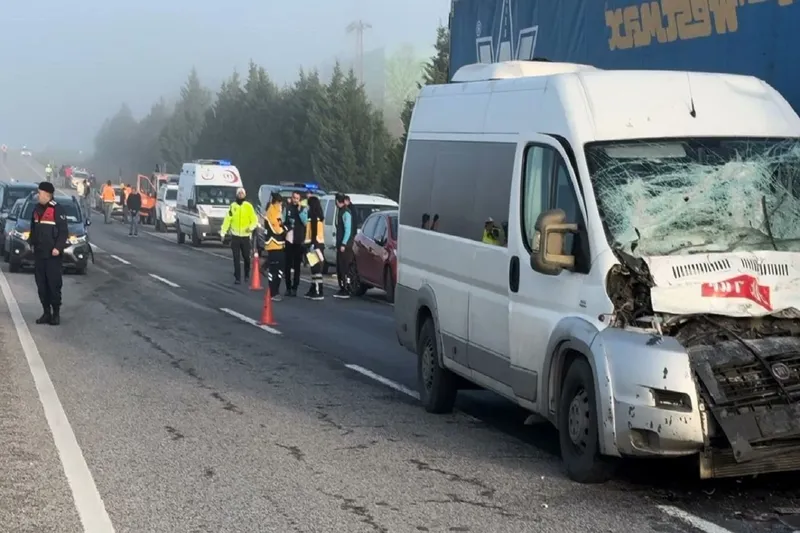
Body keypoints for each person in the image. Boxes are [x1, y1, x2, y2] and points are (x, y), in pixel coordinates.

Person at [28, 182, 67, 326]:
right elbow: (33, 228)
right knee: (41, 286)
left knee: (53, 285)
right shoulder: (36, 209)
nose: (38, 195)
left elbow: (63, 232)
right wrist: (31, 243)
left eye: (40, 193)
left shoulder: (58, 210)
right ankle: (46, 312)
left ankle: (55, 314)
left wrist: (58, 248)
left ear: (47, 195)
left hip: (53, 256)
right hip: (40, 255)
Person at [220, 187, 258, 284]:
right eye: (239, 193)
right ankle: (237, 277)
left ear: (245, 195)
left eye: (242, 193)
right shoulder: (232, 206)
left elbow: (254, 220)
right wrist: (223, 232)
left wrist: (251, 227)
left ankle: (246, 273)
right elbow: (227, 220)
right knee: (236, 258)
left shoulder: (248, 206)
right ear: (237, 195)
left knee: (246, 257)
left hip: (245, 237)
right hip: (235, 237)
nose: (240, 194)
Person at [282, 191, 308, 296]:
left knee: (297, 266)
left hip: (298, 240)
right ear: (292, 198)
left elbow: (305, 222)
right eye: (294, 198)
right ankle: (288, 287)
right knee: (287, 265)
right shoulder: (287, 208)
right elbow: (283, 221)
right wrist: (285, 229)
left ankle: (295, 288)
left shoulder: (303, 209)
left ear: (299, 199)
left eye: (297, 198)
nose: (295, 200)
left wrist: (300, 211)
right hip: (289, 240)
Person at [263, 192, 286, 301]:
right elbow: (276, 229)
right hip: (274, 244)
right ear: (277, 202)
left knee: (280, 268)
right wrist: (285, 230)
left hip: (279, 244)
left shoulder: (276, 211)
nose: (281, 206)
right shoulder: (272, 212)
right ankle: (273, 292)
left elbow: (280, 224)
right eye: (280, 203)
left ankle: (276, 291)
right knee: (274, 269)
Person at [303, 196, 325, 300]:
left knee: (316, 269)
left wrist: (312, 244)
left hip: (314, 245)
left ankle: (318, 291)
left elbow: (314, 232)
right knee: (314, 269)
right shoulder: (319, 216)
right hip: (317, 244)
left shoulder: (313, 216)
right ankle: (313, 289)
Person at [333, 193, 354, 299]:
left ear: (337, 201)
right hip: (341, 245)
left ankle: (345, 288)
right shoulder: (341, 211)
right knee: (340, 268)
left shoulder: (346, 213)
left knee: (344, 268)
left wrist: (343, 244)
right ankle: (342, 288)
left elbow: (348, 229)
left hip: (345, 246)